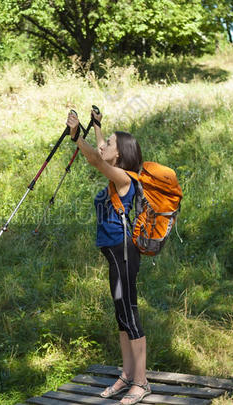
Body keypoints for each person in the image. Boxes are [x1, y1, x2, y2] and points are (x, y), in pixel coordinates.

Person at [67, 109, 151, 405]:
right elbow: (102, 154)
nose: (104, 145)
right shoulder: (117, 174)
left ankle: (141, 382)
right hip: (114, 257)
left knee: (129, 313)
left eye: (110, 143)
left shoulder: (124, 178)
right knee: (120, 314)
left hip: (124, 254)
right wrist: (99, 129)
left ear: (120, 155)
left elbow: (96, 158)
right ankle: (127, 375)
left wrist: (78, 136)